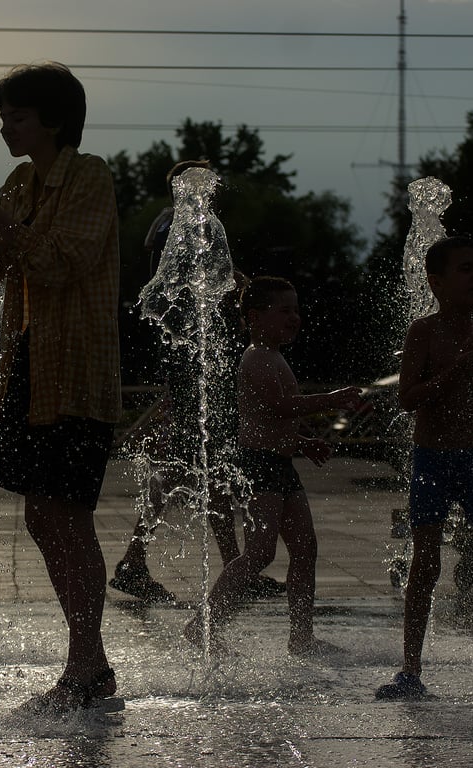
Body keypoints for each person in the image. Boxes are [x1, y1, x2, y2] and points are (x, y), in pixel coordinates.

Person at [0, 62, 123, 713]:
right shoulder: (18, 182)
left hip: (76, 373)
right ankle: (87, 662)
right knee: (42, 516)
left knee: (69, 515)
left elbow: (60, 262)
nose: (6, 126)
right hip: (30, 367)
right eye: (3, 115)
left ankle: (88, 667)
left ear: (55, 120)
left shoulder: (89, 175)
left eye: (17, 115)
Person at [109, 161, 283, 604]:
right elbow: (185, 288)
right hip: (193, 360)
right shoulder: (181, 225)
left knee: (203, 466)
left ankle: (213, 566)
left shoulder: (176, 224)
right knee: (197, 464)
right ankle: (140, 562)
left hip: (194, 358)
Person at [375, 237, 473, 699]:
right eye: (466, 269)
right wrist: (452, 371)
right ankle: (410, 669)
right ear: (437, 283)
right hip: (432, 458)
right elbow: (406, 398)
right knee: (426, 563)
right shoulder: (424, 332)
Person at [183, 276, 362, 656]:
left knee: (305, 547)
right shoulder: (256, 358)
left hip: (279, 466)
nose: (294, 317)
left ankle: (301, 637)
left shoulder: (274, 356)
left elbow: (270, 423)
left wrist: (302, 443)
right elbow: (278, 407)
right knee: (260, 553)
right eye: (284, 310)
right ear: (254, 317)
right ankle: (203, 625)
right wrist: (330, 399)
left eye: (296, 310)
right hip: (259, 468)